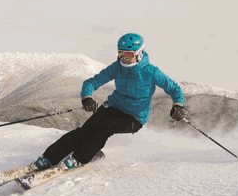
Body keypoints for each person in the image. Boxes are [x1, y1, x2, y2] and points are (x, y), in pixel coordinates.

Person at [32, 32, 186, 171]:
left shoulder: (151, 72)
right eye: (120, 53)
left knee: (105, 128)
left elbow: (174, 88)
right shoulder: (117, 67)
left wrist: (178, 105)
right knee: (85, 131)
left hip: (134, 117)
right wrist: (87, 97)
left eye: (127, 54)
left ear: (139, 54)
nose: (123, 58)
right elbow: (91, 83)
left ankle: (79, 158)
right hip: (112, 107)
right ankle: (49, 158)